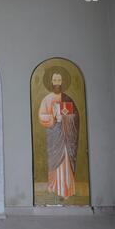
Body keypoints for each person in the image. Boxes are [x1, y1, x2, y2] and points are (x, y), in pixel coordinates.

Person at [38, 70, 79, 199]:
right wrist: (54, 117)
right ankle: (54, 186)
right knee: (53, 161)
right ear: (51, 82)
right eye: (55, 80)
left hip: (66, 136)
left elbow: (76, 116)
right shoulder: (47, 99)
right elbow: (41, 116)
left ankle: (66, 189)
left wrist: (66, 118)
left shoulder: (67, 99)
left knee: (65, 160)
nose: (57, 83)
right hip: (54, 135)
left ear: (63, 82)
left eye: (59, 80)